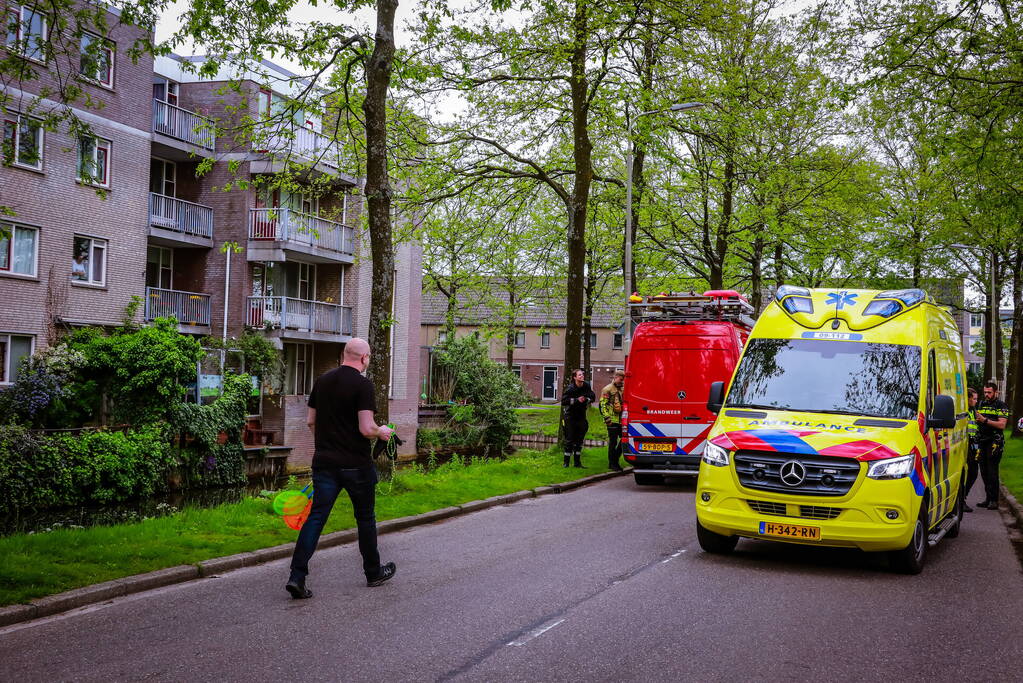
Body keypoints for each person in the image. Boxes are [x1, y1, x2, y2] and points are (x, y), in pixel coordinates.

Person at [286, 338, 396, 599]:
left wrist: (328, 442)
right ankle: (373, 572)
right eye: (368, 357)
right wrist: (383, 432)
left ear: (344, 354)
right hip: (356, 465)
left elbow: (311, 421)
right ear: (364, 358)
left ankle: (296, 576)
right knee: (365, 519)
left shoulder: (322, 381)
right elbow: (366, 428)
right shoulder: (363, 385)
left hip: (324, 463)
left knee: (316, 518)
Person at [975, 380, 1009, 510]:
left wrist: (985, 420)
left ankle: (994, 500)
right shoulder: (981, 404)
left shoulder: (1002, 405)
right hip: (982, 441)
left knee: (992, 471)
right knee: (983, 471)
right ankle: (988, 498)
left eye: (989, 392)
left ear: (996, 392)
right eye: (985, 392)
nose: (987, 395)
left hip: (994, 442)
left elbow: (1002, 424)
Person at [560, 368, 595, 468]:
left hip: (581, 416)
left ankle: (577, 463)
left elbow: (592, 396)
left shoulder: (586, 385)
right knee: (570, 440)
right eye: (579, 375)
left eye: (582, 374)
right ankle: (566, 463)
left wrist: (587, 399)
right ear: (575, 377)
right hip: (570, 416)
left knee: (579, 440)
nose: (582, 376)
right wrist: (576, 400)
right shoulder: (570, 388)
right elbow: (564, 401)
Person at [600, 370, 625, 471]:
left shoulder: (623, 389)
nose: (621, 381)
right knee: (613, 442)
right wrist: (607, 418)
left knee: (624, 440)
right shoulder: (607, 389)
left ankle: (615, 460)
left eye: (623, 380)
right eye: (620, 379)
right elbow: (602, 405)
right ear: (615, 377)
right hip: (612, 420)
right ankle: (612, 463)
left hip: (621, 419)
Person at [963, 388, 980, 512]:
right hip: (965, 445)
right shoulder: (964, 411)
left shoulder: (973, 411)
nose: (975, 401)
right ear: (968, 398)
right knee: (969, 473)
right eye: (974, 399)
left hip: (973, 445)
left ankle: (963, 497)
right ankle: (961, 499)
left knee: (973, 473)